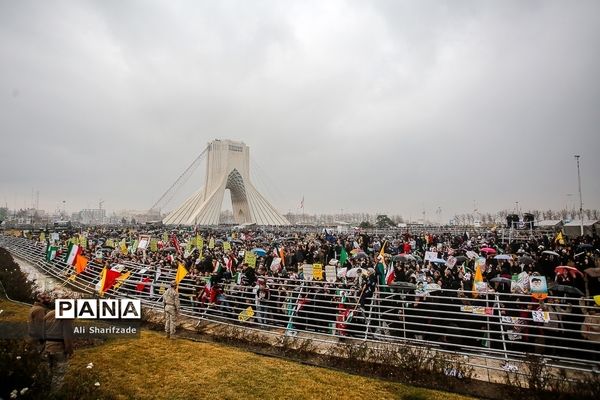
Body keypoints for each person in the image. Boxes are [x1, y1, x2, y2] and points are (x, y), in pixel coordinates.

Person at [43, 300, 74, 391]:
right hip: (59, 348)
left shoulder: (49, 314)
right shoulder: (66, 315)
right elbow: (67, 335)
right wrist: (69, 350)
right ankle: (55, 394)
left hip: (48, 346)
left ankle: (45, 391)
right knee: (60, 374)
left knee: (50, 371)